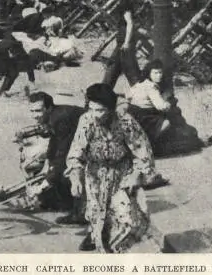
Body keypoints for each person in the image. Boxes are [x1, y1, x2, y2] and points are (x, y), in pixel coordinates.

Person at [66, 83, 165, 253]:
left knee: (127, 218)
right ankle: (99, 239)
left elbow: (143, 151)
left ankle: (116, 246)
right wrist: (75, 177)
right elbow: (76, 151)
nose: (96, 115)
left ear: (111, 109)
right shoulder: (86, 120)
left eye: (101, 111)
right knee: (96, 214)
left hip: (122, 174)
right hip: (95, 175)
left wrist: (136, 175)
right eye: (92, 109)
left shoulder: (125, 121)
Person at [26, 92, 86, 224]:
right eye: (31, 111)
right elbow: (54, 142)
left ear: (48, 108)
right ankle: (66, 202)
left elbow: (63, 155)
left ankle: (80, 213)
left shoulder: (60, 118)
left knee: (69, 171)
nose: (34, 115)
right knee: (52, 171)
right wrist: (47, 165)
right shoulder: (53, 116)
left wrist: (42, 186)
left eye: (38, 111)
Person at [102, 0, 141, 89]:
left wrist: (127, 42)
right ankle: (105, 89)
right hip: (122, 37)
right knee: (114, 65)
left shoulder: (124, 2)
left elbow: (130, 23)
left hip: (125, 38)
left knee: (131, 68)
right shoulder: (121, 1)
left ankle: (141, 91)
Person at [126, 60, 172, 146]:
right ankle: (150, 144)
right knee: (166, 123)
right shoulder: (152, 87)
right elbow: (160, 106)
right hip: (145, 115)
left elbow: (127, 95)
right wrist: (168, 104)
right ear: (149, 73)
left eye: (160, 72)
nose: (159, 75)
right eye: (155, 73)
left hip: (132, 113)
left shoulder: (140, 83)